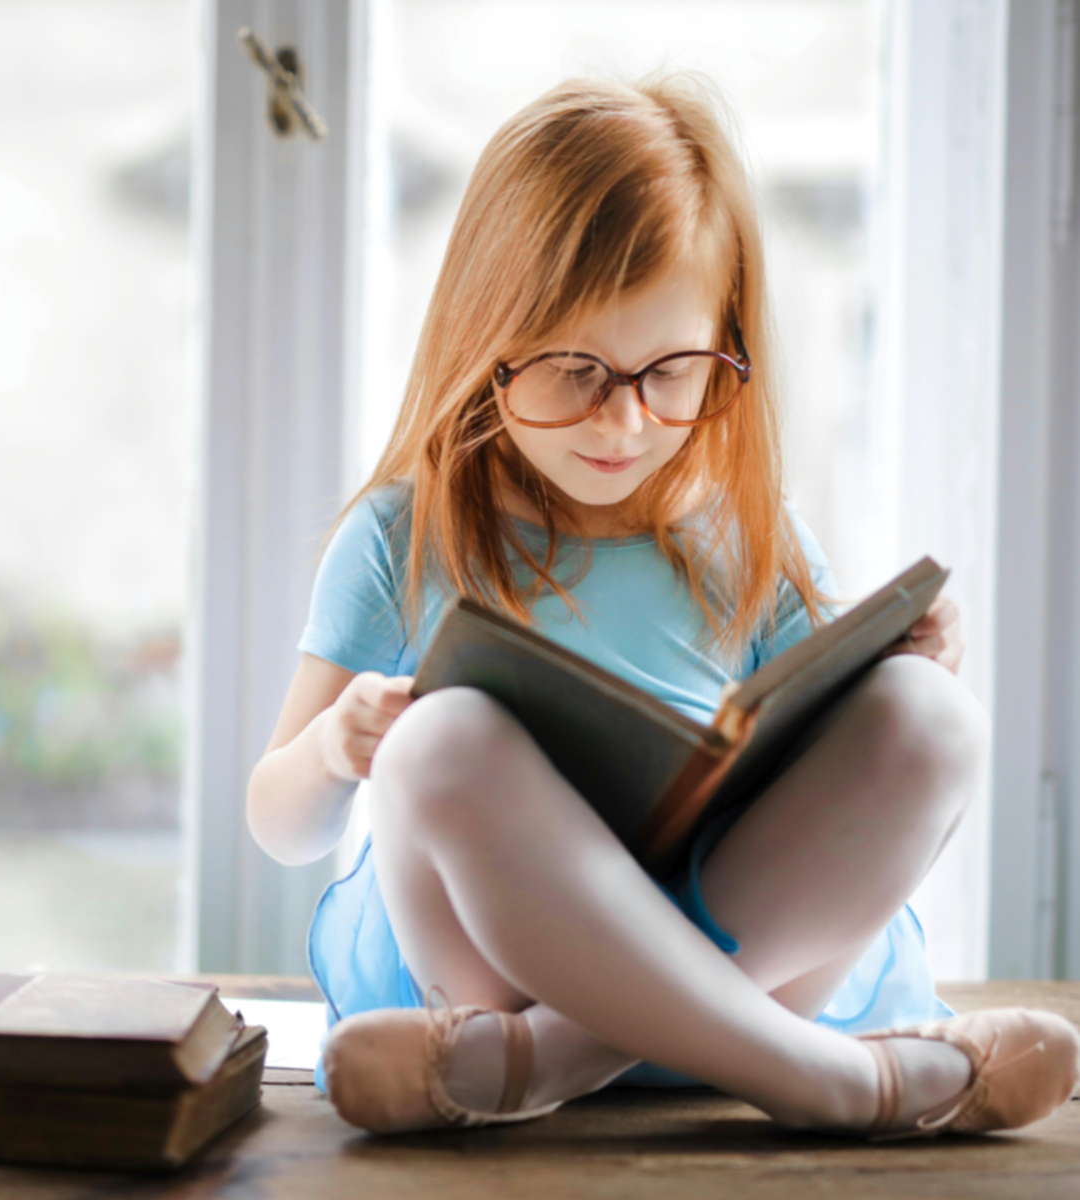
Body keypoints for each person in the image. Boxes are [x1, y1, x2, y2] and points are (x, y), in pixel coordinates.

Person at [246, 74, 1080, 1139]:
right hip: (490, 971)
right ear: (483, 338)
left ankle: (555, 1060)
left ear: (722, 346)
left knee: (930, 716)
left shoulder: (746, 531)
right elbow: (276, 825)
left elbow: (835, 757)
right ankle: (835, 1084)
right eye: (572, 370)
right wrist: (334, 749)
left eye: (672, 371)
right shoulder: (404, 537)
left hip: (721, 969)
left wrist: (906, 660)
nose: (625, 421)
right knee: (436, 743)